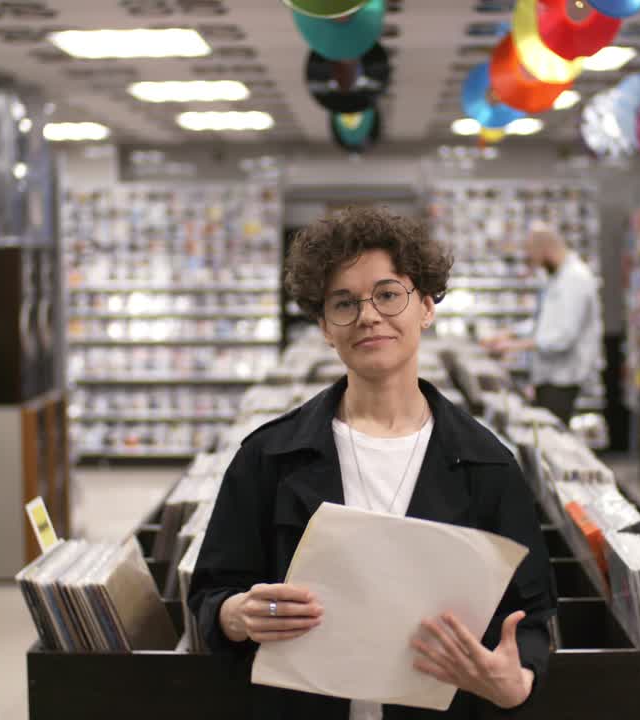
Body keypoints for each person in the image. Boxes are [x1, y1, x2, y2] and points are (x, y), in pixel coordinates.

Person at [189, 206, 556, 720]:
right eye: (343, 303)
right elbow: (210, 594)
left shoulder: (488, 464)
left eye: (388, 294)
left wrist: (516, 683)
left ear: (426, 306)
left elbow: (533, 616)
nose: (367, 316)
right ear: (323, 326)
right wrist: (236, 615)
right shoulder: (267, 458)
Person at [482, 223, 603, 426]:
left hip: (563, 378)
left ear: (545, 249)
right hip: (549, 377)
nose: (534, 263)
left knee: (554, 432)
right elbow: (545, 324)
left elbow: (563, 337)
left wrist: (516, 346)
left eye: (533, 256)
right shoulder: (557, 278)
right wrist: (509, 333)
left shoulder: (575, 279)